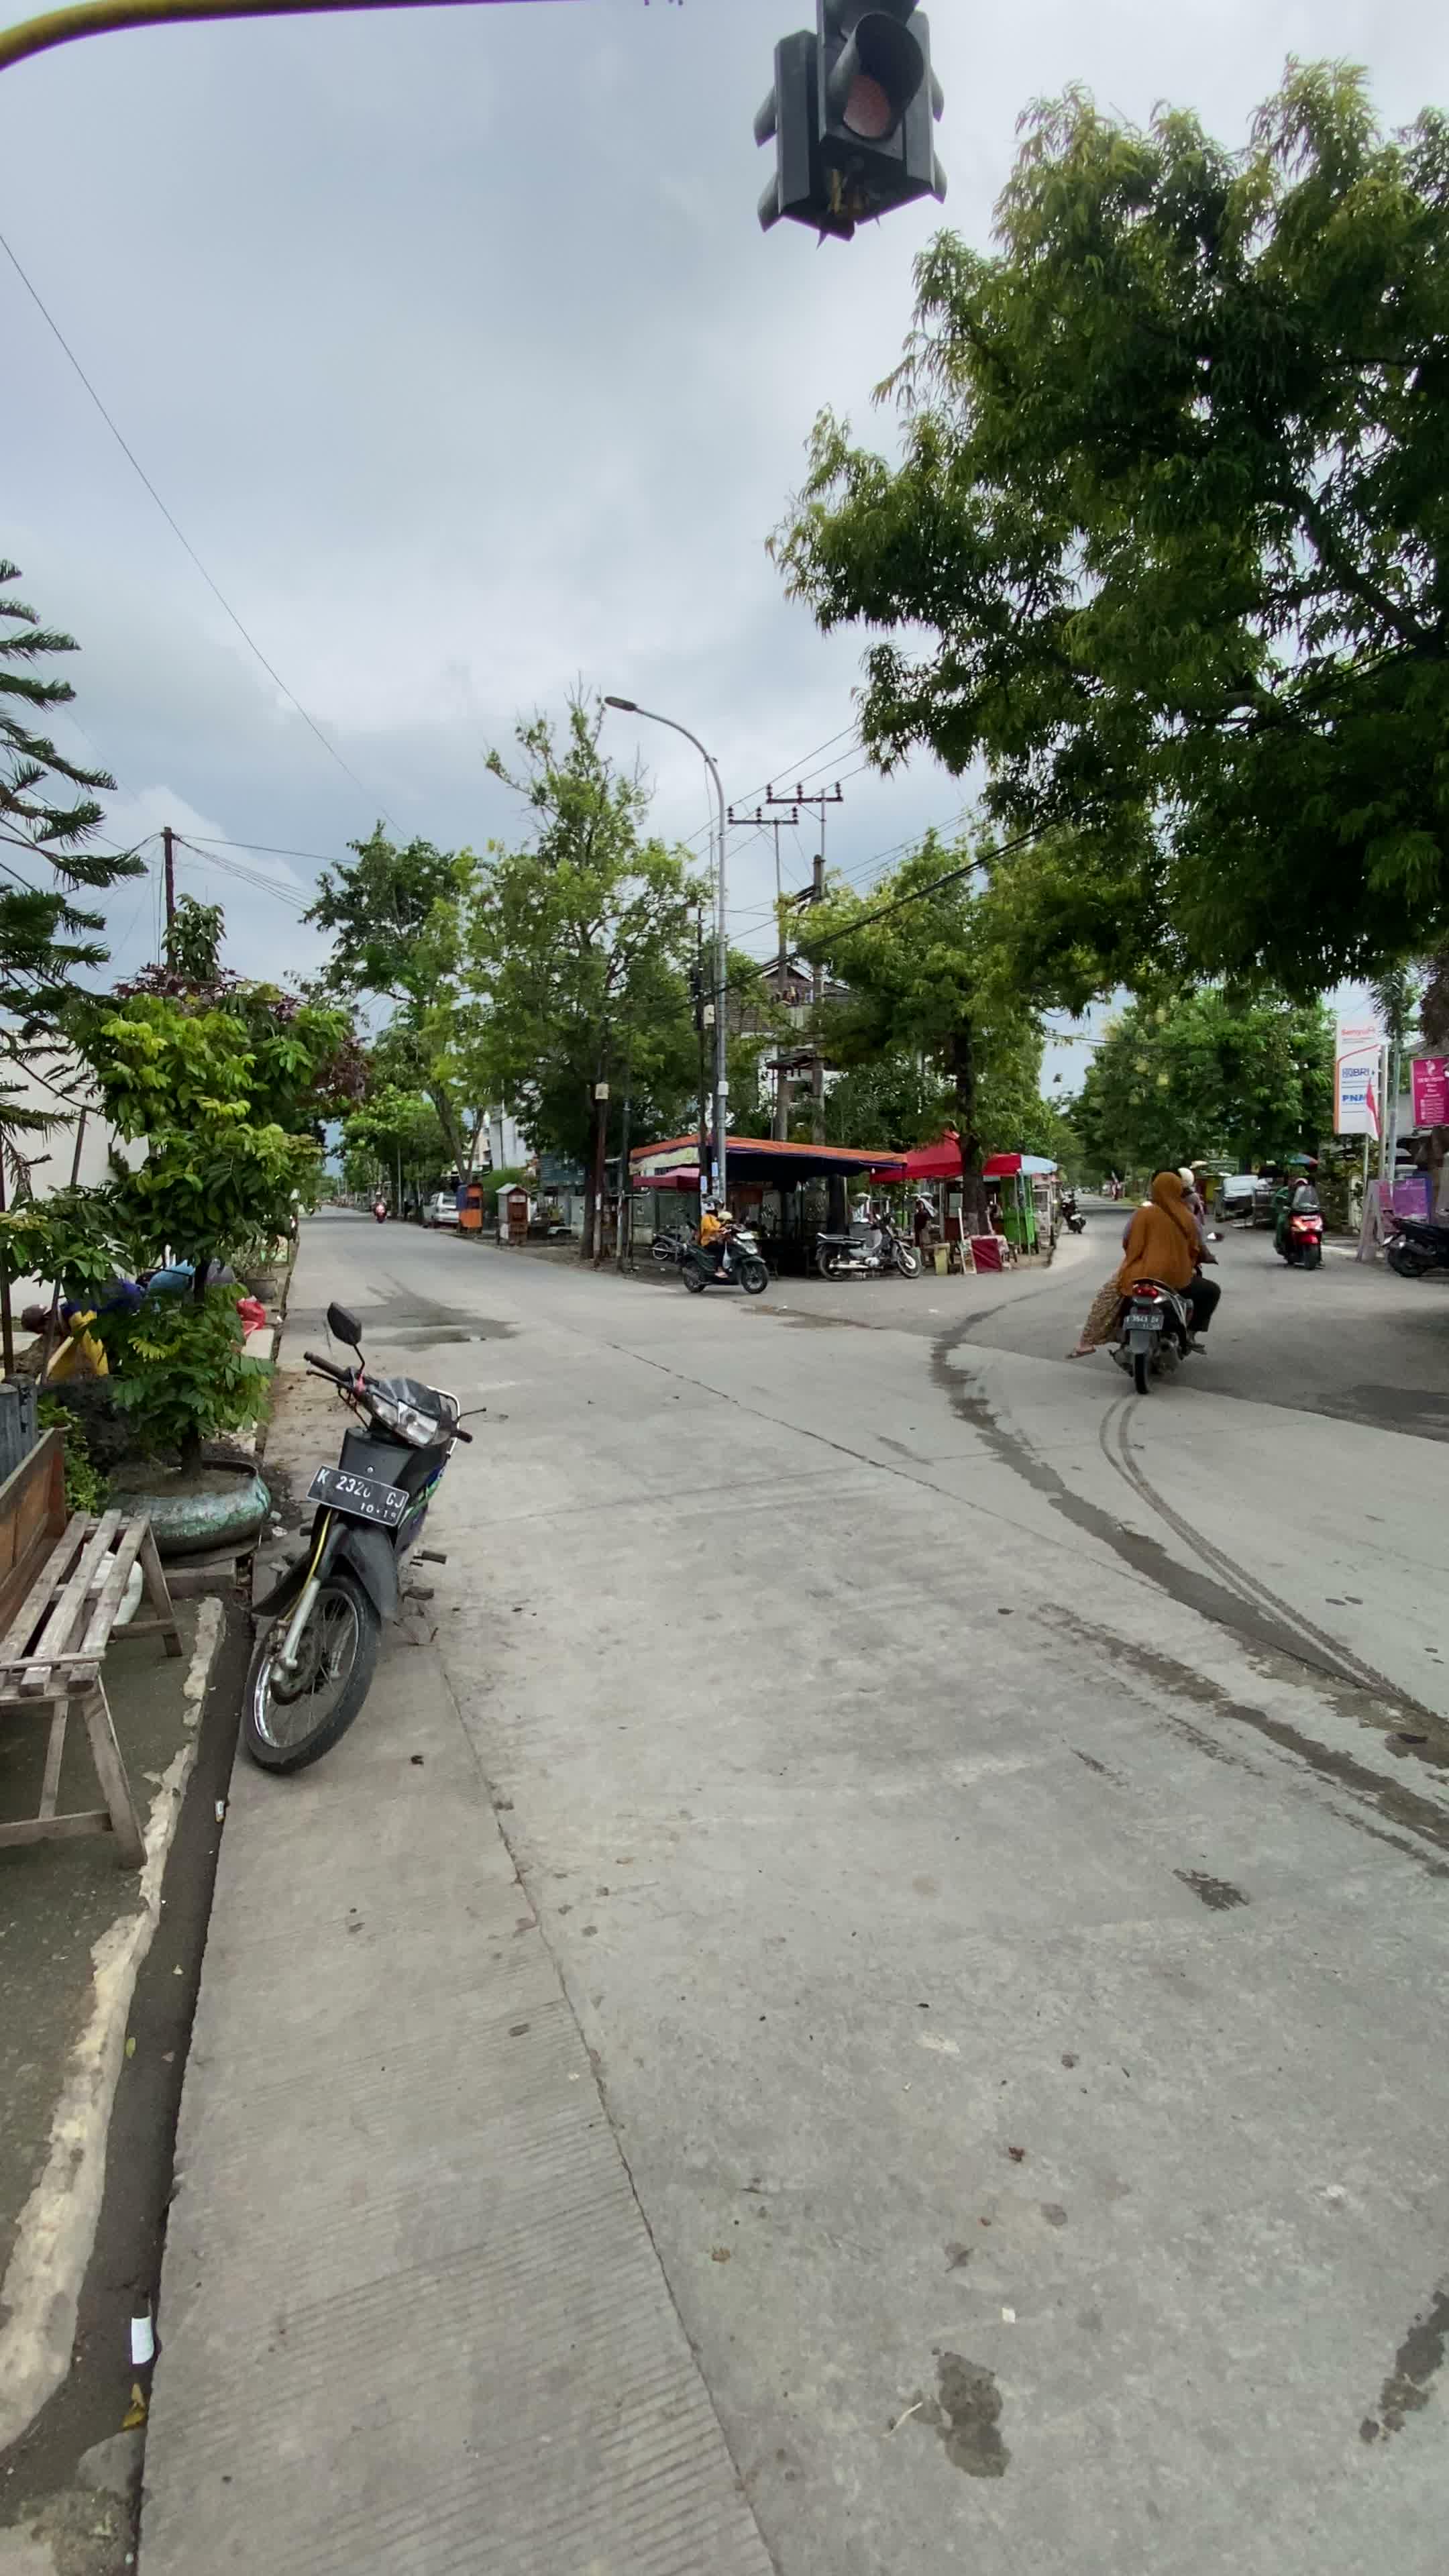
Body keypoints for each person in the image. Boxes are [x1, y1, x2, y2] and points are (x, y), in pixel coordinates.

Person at [1071, 1169, 1219, 1355]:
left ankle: (1087, 1342)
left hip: (1140, 1274)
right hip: (1177, 1278)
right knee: (1211, 1291)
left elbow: (1127, 1241)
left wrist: (1141, 1256)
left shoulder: (1142, 1214)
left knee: (1106, 1297)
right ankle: (1190, 1334)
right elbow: (1196, 1247)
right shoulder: (1189, 1218)